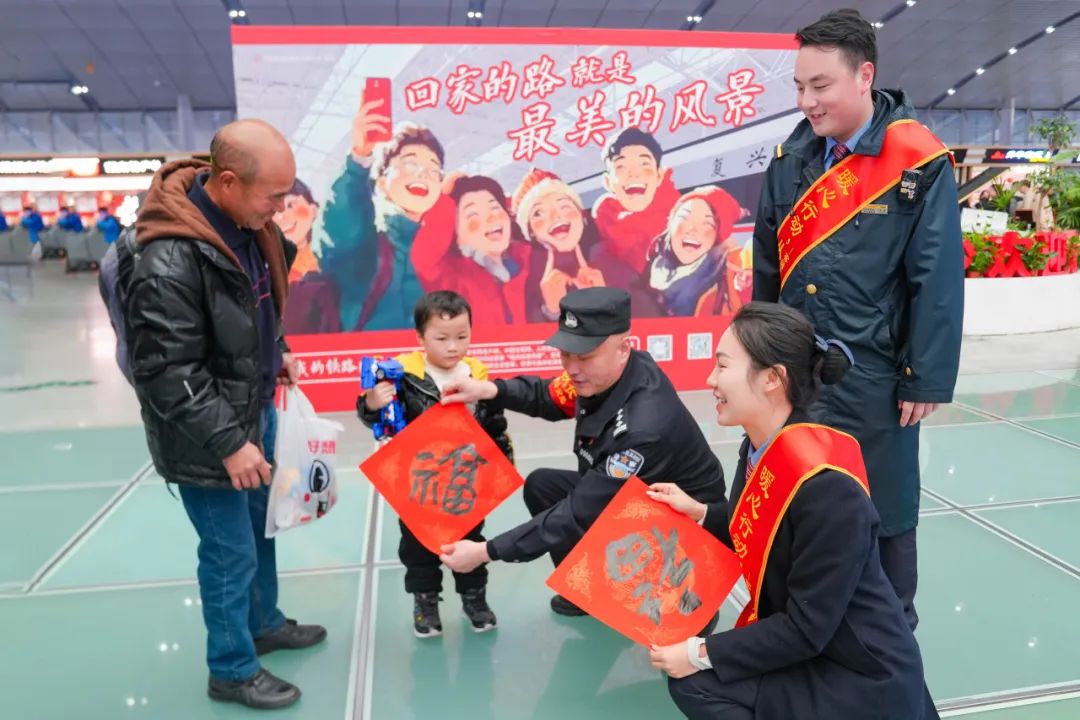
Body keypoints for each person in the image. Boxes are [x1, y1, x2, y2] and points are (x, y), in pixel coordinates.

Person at [751, 8, 963, 629]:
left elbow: (936, 278)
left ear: (864, 76)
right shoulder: (790, 158)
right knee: (793, 502)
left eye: (821, 85)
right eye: (799, 86)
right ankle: (791, 633)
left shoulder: (917, 161)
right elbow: (767, 268)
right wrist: (758, 360)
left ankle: (889, 641)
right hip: (794, 375)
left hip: (875, 375)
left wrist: (924, 377)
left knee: (885, 512)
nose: (807, 101)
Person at [647, 302, 938, 720]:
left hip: (859, 671)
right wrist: (701, 512)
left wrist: (698, 651)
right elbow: (763, 529)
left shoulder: (827, 488)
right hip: (818, 643)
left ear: (772, 378)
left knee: (695, 682)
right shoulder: (759, 445)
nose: (710, 380)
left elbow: (805, 628)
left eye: (723, 366)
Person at [126, 119, 326, 710]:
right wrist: (230, 444)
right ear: (230, 182)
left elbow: (255, 306)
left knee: (262, 530)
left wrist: (277, 350)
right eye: (273, 196)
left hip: (253, 410)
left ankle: (262, 624)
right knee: (228, 551)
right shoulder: (169, 259)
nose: (281, 208)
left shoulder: (250, 227)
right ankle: (232, 669)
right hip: (206, 437)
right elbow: (167, 371)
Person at [438, 287, 727, 618]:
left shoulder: (642, 428)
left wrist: (485, 552)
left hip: (685, 529)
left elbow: (577, 514)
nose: (572, 368)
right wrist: (489, 390)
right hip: (636, 499)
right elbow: (548, 396)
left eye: (585, 356)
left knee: (574, 515)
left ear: (623, 348)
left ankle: (688, 605)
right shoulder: (607, 375)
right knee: (543, 485)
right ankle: (588, 593)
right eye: (566, 353)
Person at [359, 291, 513, 637]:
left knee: (470, 541)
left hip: (465, 480)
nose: (453, 347)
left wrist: (502, 465)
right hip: (419, 482)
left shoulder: (477, 374)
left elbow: (495, 425)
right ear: (420, 338)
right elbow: (375, 419)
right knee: (418, 548)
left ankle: (474, 599)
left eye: (462, 336)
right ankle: (425, 603)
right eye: (441, 339)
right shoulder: (403, 374)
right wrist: (372, 403)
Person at [411, 174, 533, 325]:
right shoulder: (449, 278)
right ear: (455, 233)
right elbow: (423, 259)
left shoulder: (530, 261)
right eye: (473, 214)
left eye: (495, 207)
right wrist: (443, 200)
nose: (491, 217)